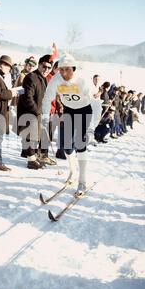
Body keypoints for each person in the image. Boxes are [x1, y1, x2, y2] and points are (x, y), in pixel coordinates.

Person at [42, 53, 95, 195]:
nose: (64, 73)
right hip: (69, 110)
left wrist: (91, 127)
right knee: (66, 146)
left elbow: (95, 103)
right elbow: (48, 98)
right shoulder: (56, 79)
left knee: (80, 144)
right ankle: (73, 172)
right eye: (61, 69)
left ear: (74, 68)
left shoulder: (82, 80)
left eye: (68, 69)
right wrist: (45, 116)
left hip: (84, 110)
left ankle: (82, 181)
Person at [17, 55, 55, 169]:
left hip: (38, 112)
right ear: (39, 65)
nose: (46, 70)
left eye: (49, 68)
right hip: (29, 112)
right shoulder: (31, 77)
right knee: (31, 137)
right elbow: (27, 97)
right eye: (44, 66)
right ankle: (31, 160)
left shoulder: (43, 78)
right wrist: (39, 112)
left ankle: (34, 157)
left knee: (36, 136)